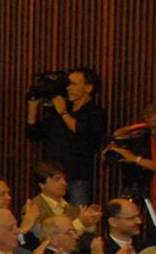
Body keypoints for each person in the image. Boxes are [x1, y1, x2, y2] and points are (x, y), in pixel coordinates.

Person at [27, 68, 107, 206]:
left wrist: (63, 112)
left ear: (88, 88)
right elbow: (34, 133)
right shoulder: (59, 112)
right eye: (68, 84)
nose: (68, 88)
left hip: (77, 177)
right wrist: (32, 107)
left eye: (74, 84)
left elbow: (79, 130)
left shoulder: (95, 113)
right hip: (52, 176)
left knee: (77, 215)